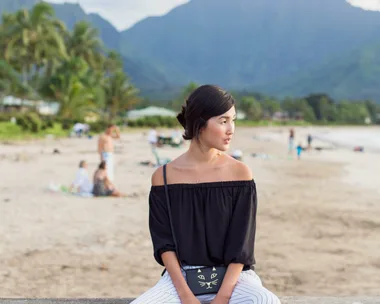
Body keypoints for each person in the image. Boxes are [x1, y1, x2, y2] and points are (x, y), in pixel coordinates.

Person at [132, 85, 280, 304]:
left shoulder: (240, 174)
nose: (231, 129)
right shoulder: (163, 177)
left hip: (235, 279)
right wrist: (185, 296)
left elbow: (241, 246)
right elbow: (164, 244)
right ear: (200, 124)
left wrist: (223, 297)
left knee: (265, 301)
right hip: (181, 278)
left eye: (233, 120)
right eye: (223, 121)